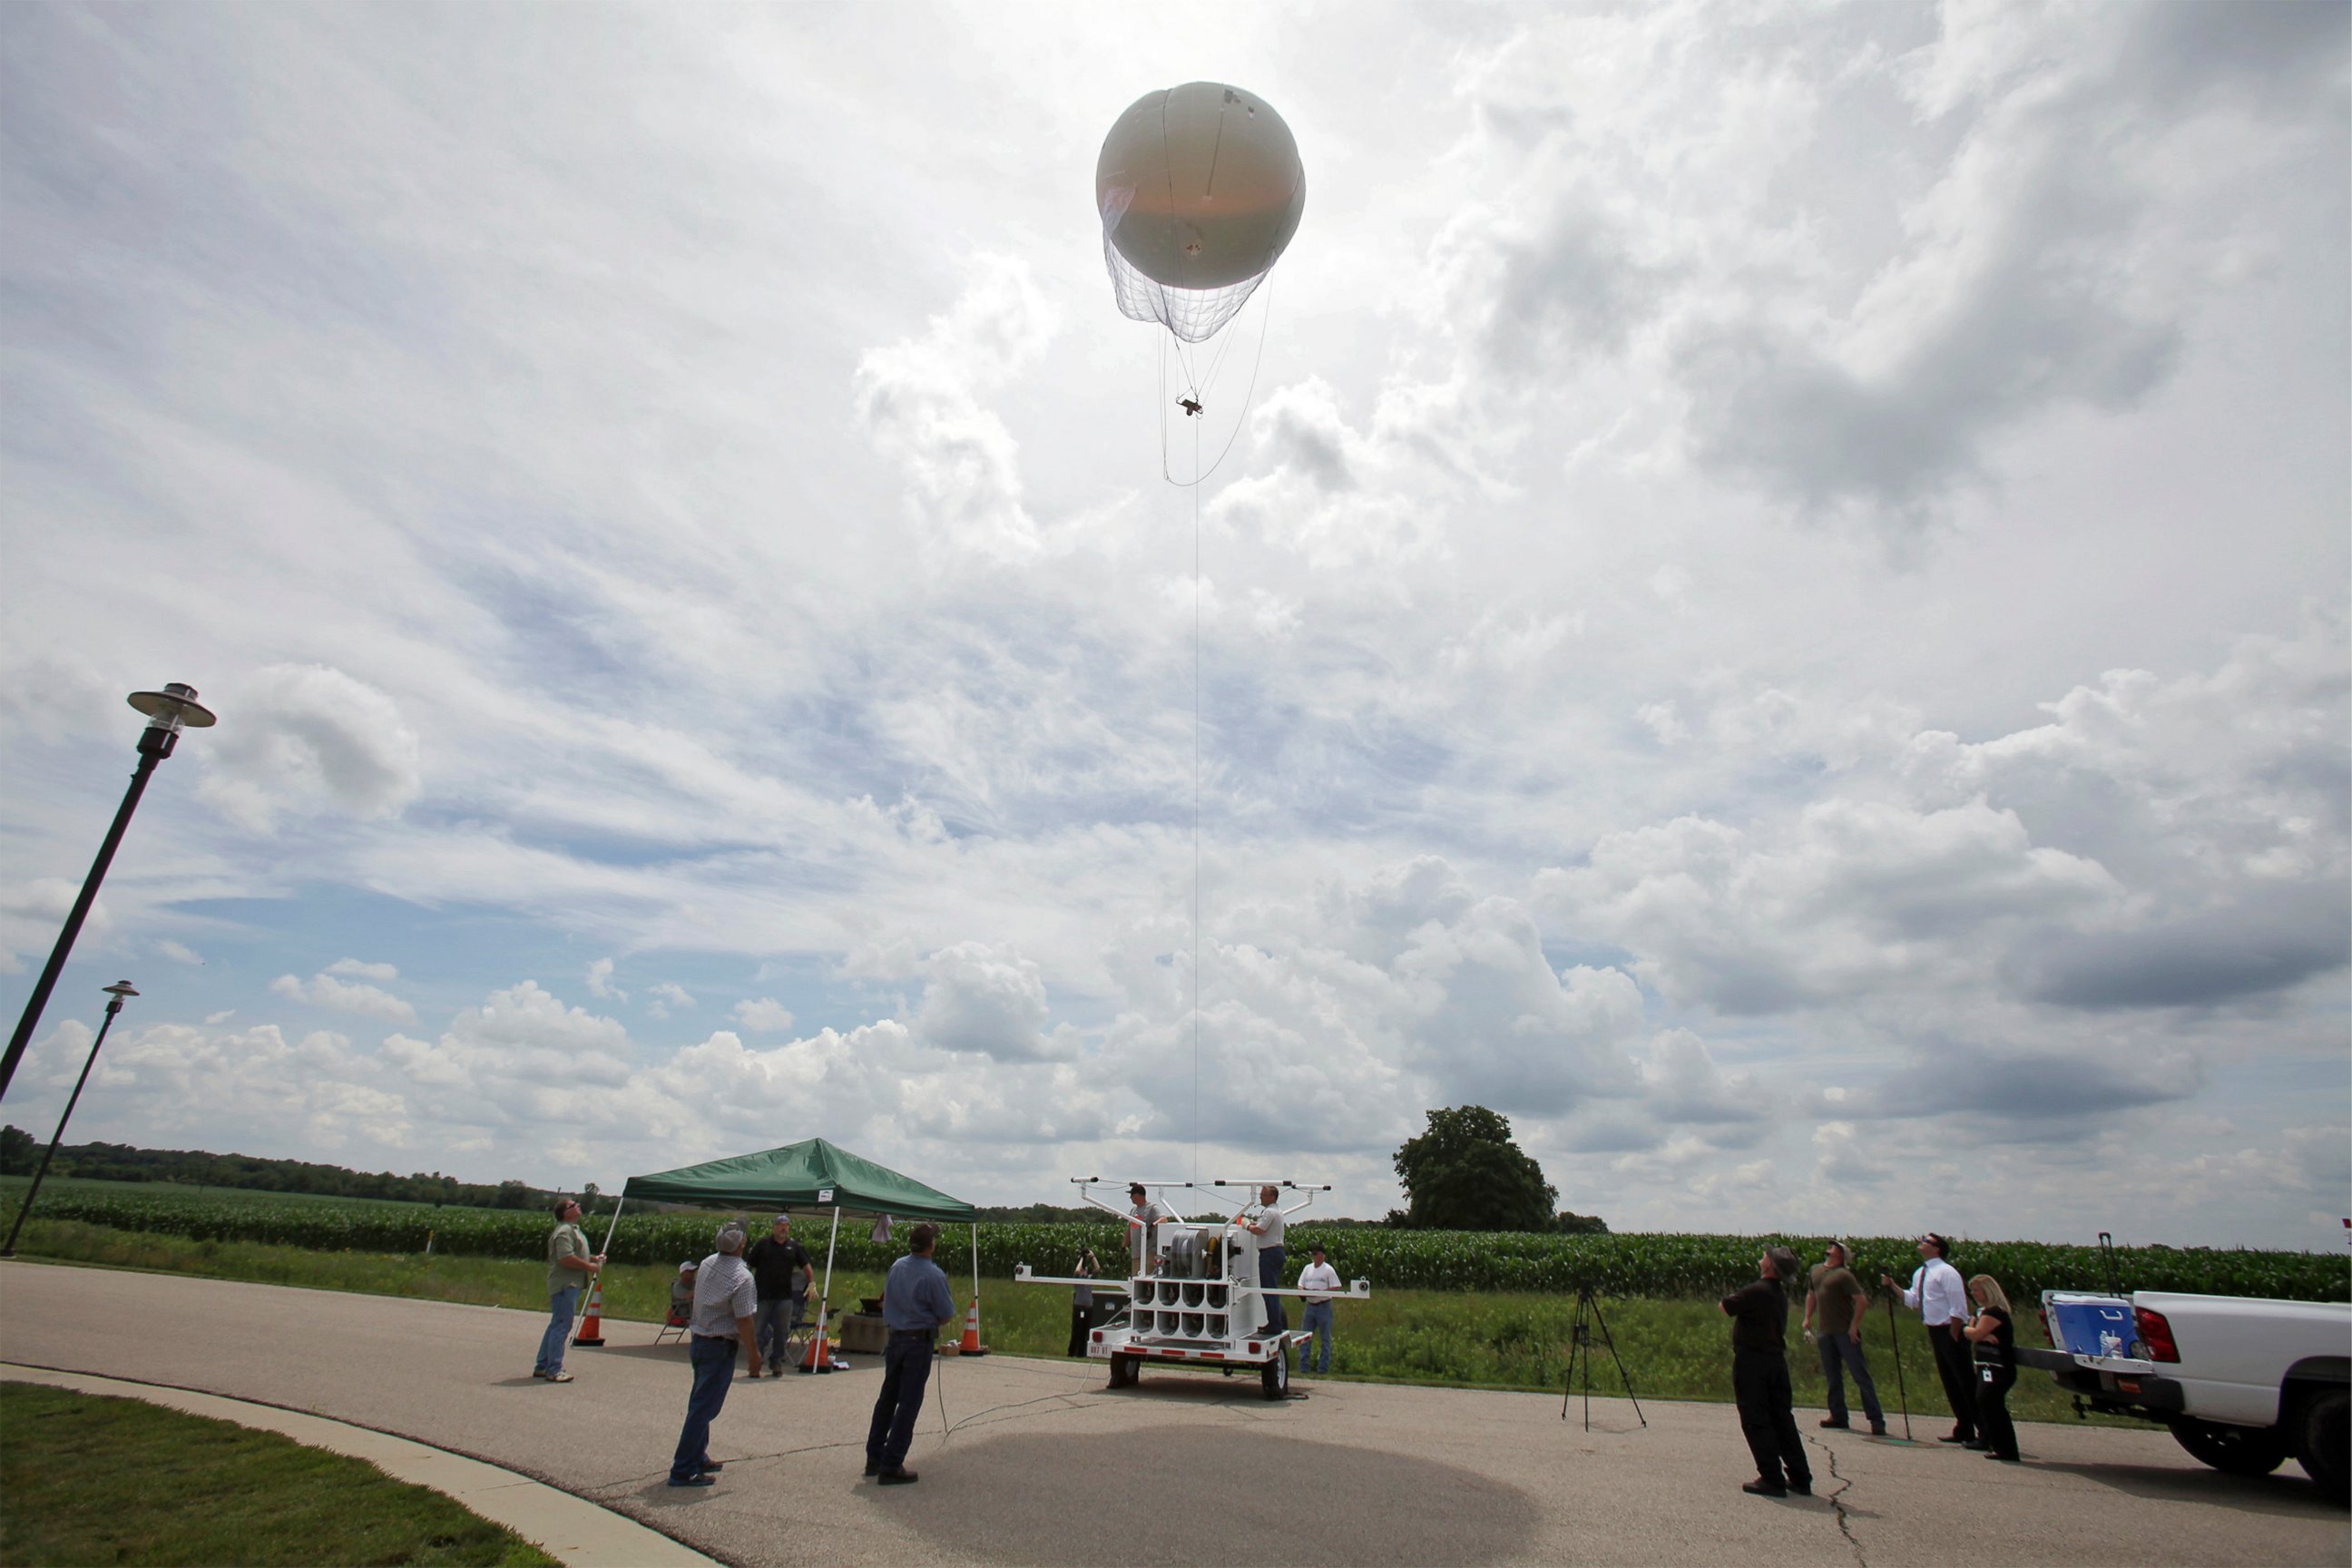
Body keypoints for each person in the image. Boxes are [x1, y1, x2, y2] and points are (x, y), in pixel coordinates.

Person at [668, 1221, 762, 1487]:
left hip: (700, 1338)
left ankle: (697, 1455)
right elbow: (744, 1320)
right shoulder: (743, 1278)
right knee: (704, 1407)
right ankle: (683, 1469)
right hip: (719, 1344)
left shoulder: (708, 1262)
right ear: (742, 1244)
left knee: (700, 1401)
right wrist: (754, 1354)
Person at [866, 1221, 958, 1486]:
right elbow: (946, 1313)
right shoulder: (933, 1275)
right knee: (909, 1402)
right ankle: (892, 1463)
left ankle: (874, 1456)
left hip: (896, 1339)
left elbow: (887, 1300)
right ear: (931, 1246)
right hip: (918, 1342)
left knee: (887, 1398)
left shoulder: (897, 1266)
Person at [1722, 1245, 1813, 1498]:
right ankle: (1800, 1475)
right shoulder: (1779, 1293)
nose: (1762, 1258)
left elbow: (1725, 1306)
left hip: (1753, 1361)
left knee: (1755, 1419)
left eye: (1765, 1256)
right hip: (1776, 1361)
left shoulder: (1756, 1290)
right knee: (1782, 1419)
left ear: (1770, 1265)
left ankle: (1772, 1477)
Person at [1884, 1233, 1978, 1447]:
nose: (1921, 1243)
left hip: (1950, 1329)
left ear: (1937, 1249)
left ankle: (1983, 1429)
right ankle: (1964, 1427)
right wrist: (1893, 1286)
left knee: (1964, 1381)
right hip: (1935, 1330)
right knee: (1950, 1381)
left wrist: (1955, 1332)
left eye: (1927, 1241)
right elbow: (1914, 1300)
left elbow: (1959, 1305)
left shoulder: (1946, 1272)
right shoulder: (1922, 1273)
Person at [1803, 1241, 1885, 1436]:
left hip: (1844, 1332)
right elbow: (1811, 1294)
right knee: (1832, 1376)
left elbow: (1862, 1301)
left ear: (1841, 1254)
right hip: (1825, 1331)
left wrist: (1853, 1327)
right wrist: (1807, 1317)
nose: (1830, 1248)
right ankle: (1838, 1415)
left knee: (1860, 1375)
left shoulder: (1844, 1275)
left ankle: (1876, 1419)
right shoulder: (1815, 1271)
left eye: (1834, 1247)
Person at [534, 1197, 602, 1383]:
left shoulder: (574, 1230)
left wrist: (593, 1258)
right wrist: (589, 1267)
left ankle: (542, 1365)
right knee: (562, 1325)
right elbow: (566, 1258)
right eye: (573, 1205)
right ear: (565, 1212)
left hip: (572, 1284)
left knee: (556, 1324)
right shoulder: (564, 1231)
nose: (578, 1206)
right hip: (566, 1285)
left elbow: (577, 1254)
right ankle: (554, 1369)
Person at [746, 1214, 813, 1378]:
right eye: (780, 1225)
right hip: (763, 1296)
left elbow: (806, 1264)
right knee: (758, 1330)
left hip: (784, 1297)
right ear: (774, 1227)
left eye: (786, 1225)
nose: (783, 1228)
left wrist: (812, 1283)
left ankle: (776, 1361)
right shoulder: (763, 1244)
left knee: (782, 1331)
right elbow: (748, 1265)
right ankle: (756, 1362)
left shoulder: (794, 1247)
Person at [1963, 1274, 2021, 1462]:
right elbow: (1971, 1330)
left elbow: (1975, 1332)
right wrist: (1973, 1331)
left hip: (1998, 1367)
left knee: (1990, 1401)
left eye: (1977, 1290)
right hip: (1984, 1364)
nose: (1974, 1294)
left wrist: (1975, 1332)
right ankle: (1994, 1442)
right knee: (1985, 1401)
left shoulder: (1994, 1313)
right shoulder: (1981, 1312)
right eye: (1972, 1290)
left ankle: (2006, 1448)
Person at [1236, 1184, 1288, 1334]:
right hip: (1274, 1253)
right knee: (1270, 1289)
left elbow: (1259, 1230)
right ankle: (1273, 1322)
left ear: (1272, 1197)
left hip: (1269, 1254)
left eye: (1263, 1195)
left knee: (1268, 1290)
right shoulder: (1277, 1211)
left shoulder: (1270, 1212)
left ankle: (1274, 1325)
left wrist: (1246, 1225)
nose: (1260, 1197)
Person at [1296, 1242, 1340, 1376]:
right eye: (1312, 1253)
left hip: (1323, 1306)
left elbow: (1336, 1286)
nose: (1313, 1256)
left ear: (1322, 1255)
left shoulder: (1328, 1270)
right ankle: (1304, 1368)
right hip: (1310, 1306)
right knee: (1305, 1337)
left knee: (1325, 1339)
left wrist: (1321, 1292)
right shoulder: (1307, 1268)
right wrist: (1304, 1292)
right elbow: (1300, 1284)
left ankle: (1323, 1369)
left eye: (1316, 1253)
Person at [1126, 1182, 1172, 1276]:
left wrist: (1152, 1226)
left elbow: (1164, 1219)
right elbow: (1129, 1228)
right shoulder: (1133, 1210)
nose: (1130, 1197)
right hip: (1136, 1253)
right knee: (1136, 1280)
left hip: (1149, 1252)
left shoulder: (1152, 1208)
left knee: (1147, 1278)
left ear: (1138, 1195)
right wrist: (1124, 1245)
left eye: (1132, 1195)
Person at [1067, 1248, 1099, 1357]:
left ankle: (1082, 1354)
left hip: (1088, 1307)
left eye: (1085, 1269)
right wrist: (1081, 1259)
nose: (1084, 1271)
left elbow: (1097, 1269)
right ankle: (1071, 1353)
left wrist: (1092, 1257)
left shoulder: (1090, 1278)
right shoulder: (1077, 1279)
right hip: (1079, 1307)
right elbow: (1076, 1271)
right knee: (1077, 1331)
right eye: (1083, 1270)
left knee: (1085, 1332)